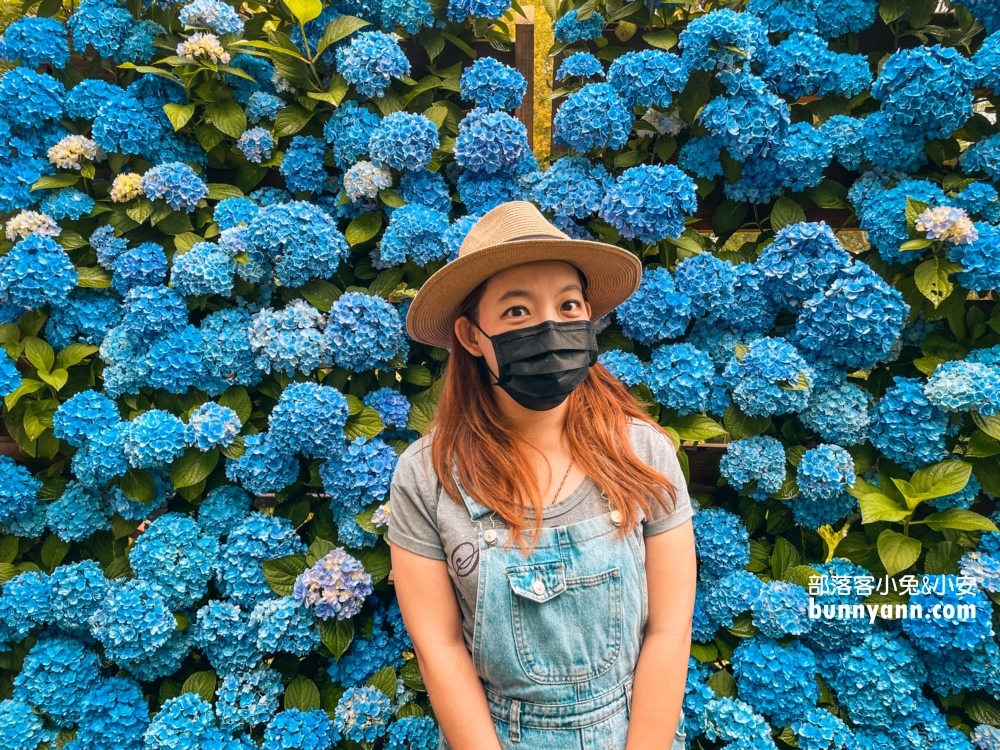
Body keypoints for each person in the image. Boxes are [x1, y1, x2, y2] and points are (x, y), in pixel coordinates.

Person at [387, 200, 696, 749]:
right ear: (471, 335)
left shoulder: (642, 452)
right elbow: (440, 649)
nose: (550, 328)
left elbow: (669, 632)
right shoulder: (426, 477)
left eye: (569, 305)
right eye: (516, 312)